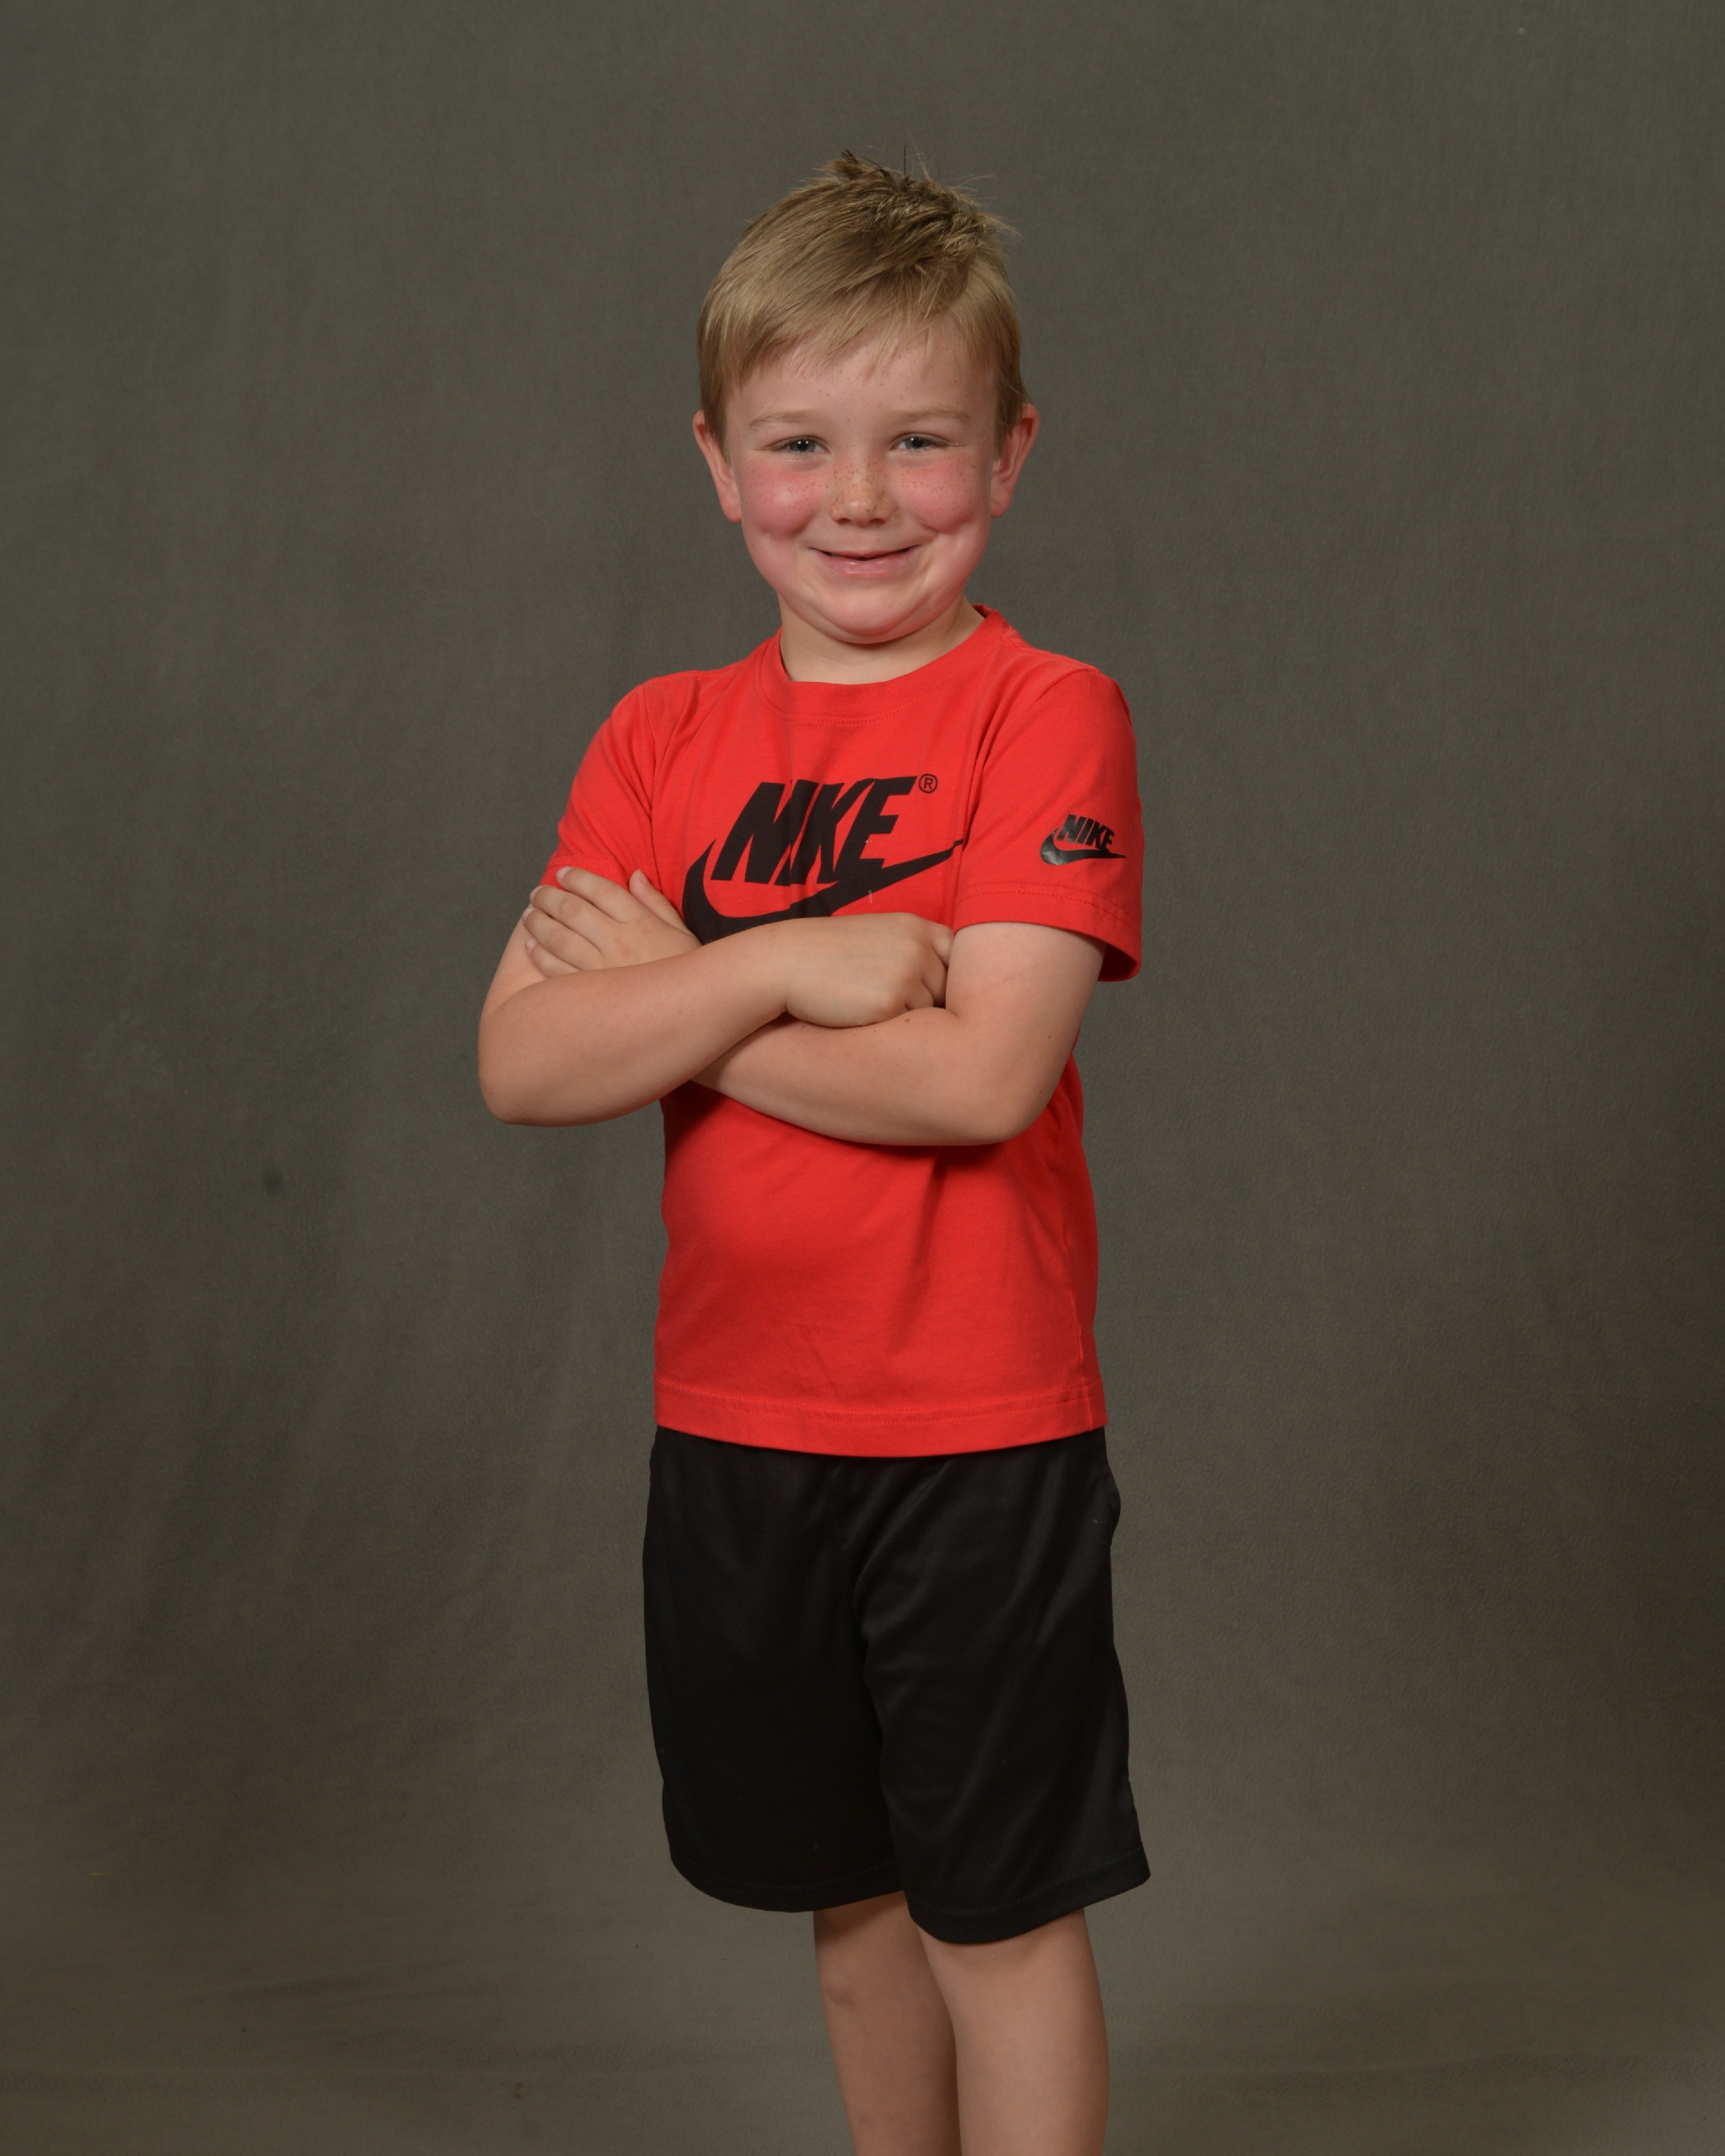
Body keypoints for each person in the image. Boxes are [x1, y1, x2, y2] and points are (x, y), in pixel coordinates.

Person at [478, 152, 1147, 2156]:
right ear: (718, 464)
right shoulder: (657, 739)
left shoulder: (1043, 713)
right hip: (736, 1430)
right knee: (848, 1909)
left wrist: (682, 992)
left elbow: (978, 1082)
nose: (858, 498)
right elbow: (522, 1062)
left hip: (974, 1436)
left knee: (992, 1914)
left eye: (918, 440)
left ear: (1007, 455)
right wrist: (782, 964)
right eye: (798, 444)